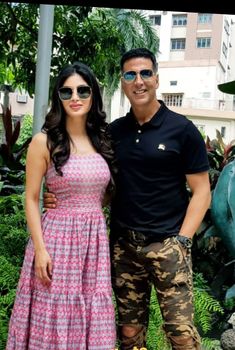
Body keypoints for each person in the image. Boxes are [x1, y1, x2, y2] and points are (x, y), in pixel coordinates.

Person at [43, 48, 211, 350]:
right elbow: (101, 184)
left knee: (182, 335)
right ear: (122, 81)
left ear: (157, 79)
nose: (139, 81)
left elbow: (202, 192)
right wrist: (61, 199)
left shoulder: (183, 130)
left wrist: (182, 242)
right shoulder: (113, 133)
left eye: (146, 73)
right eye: (130, 74)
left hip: (167, 245)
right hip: (124, 247)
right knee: (130, 335)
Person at [6, 61, 117, 350]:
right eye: (66, 92)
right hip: (57, 241)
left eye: (82, 90)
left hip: (93, 244)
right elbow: (31, 198)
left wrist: (87, 204)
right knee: (54, 312)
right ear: (58, 97)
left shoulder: (102, 140)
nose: (75, 97)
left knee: (91, 312)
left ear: (93, 95)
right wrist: (40, 249)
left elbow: (103, 191)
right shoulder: (44, 141)